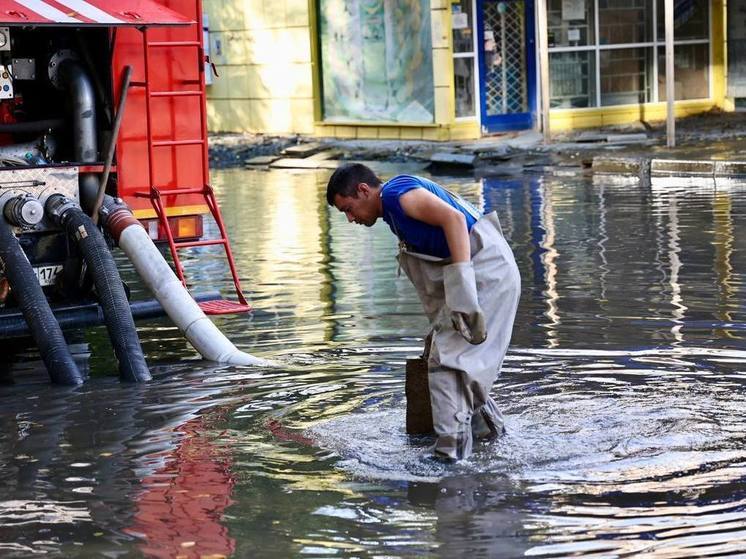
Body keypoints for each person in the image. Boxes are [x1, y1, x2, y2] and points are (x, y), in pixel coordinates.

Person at [326, 163, 521, 461]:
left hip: (488, 273)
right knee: (442, 355)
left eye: (349, 209)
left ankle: (449, 457)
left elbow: (454, 220)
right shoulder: (393, 210)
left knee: (448, 365)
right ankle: (489, 436)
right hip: (487, 270)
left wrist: (463, 291)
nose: (351, 219)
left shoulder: (396, 194)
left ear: (364, 190)